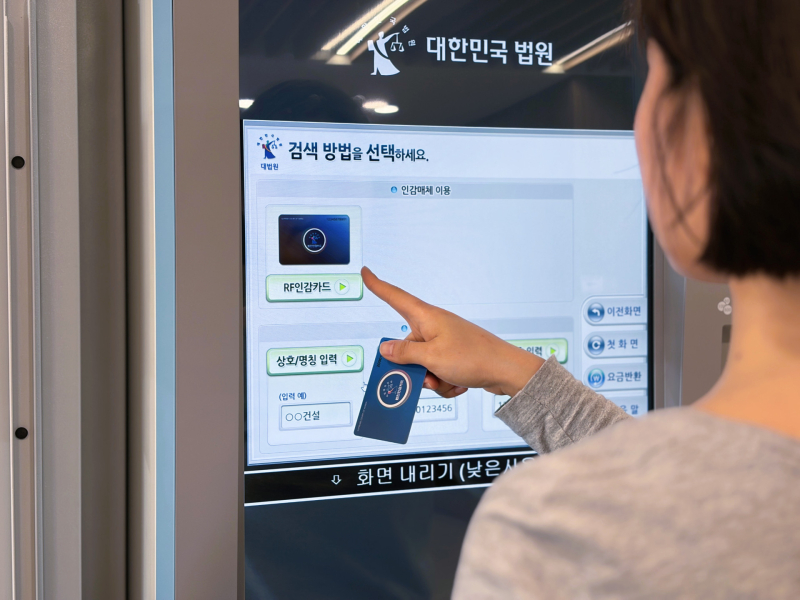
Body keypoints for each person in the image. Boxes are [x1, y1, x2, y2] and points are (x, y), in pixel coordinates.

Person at [361, 0, 800, 597]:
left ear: (695, 141)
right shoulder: (602, 513)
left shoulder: (556, 531)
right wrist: (512, 370)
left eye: (657, 74)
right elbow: (690, 490)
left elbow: (669, 507)